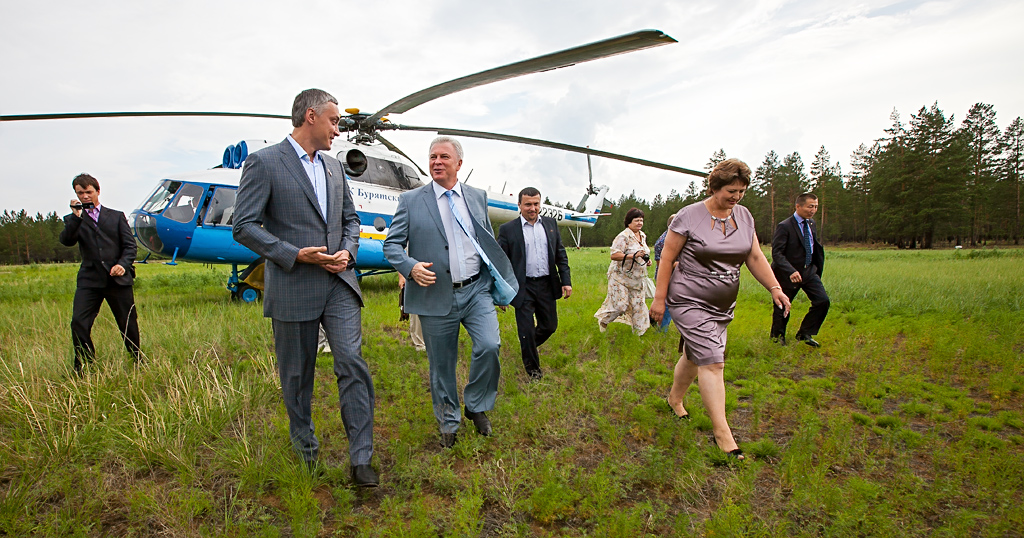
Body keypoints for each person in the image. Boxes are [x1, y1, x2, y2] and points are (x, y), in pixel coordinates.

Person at [232, 89, 377, 487]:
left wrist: (347, 251)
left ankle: (361, 458)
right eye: (333, 121)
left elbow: (350, 218)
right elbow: (243, 226)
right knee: (297, 376)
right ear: (310, 117)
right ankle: (306, 450)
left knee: (351, 362)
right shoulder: (264, 163)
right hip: (294, 284)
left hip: (339, 282)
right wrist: (296, 254)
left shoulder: (334, 167)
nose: (337, 129)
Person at [650, 159, 791, 461]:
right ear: (714, 187)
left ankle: (675, 399)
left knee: (694, 355)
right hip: (688, 298)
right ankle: (723, 435)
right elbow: (667, 257)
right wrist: (659, 299)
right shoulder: (689, 216)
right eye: (731, 191)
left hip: (722, 304)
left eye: (741, 191)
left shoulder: (744, 216)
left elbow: (754, 256)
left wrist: (775, 288)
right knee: (713, 362)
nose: (736, 197)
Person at [383, 136, 518, 448]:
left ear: (459, 163)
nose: (437, 162)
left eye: (444, 156)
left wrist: (496, 282)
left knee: (489, 345)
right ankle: (448, 421)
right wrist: (410, 266)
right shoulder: (411, 201)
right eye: (432, 157)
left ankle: (476, 405)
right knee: (441, 364)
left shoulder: (477, 197)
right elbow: (391, 246)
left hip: (476, 290)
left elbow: (486, 241)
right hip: (434, 294)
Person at [59, 173, 141, 373]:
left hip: (117, 280)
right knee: (79, 323)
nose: (85, 196)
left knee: (127, 323)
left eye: (88, 192)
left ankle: (137, 360)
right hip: (90, 280)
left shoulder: (116, 216)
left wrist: (123, 264)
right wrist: (76, 218)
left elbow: (130, 246)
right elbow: (67, 240)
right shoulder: (73, 219)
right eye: (80, 193)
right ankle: (84, 365)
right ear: (76, 195)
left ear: (97, 191)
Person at [497, 187, 572, 380]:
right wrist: (501, 292)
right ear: (520, 205)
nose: (533, 208)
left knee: (549, 326)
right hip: (523, 286)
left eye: (536, 204)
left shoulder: (550, 224)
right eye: (528, 204)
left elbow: (560, 254)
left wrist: (566, 281)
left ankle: (527, 347)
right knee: (526, 329)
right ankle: (534, 372)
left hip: (547, 284)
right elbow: (501, 263)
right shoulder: (508, 229)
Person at [770, 193, 830, 347]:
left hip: (809, 271)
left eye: (816, 206)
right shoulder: (785, 226)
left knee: (822, 301)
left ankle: (805, 333)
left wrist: (815, 268)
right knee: (782, 306)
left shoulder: (811, 224)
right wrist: (790, 271)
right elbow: (777, 253)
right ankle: (777, 339)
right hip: (788, 274)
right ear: (798, 206)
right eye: (810, 206)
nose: (813, 210)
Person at [594, 208, 652, 336]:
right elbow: (614, 255)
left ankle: (638, 335)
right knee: (620, 306)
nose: (639, 223)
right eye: (636, 220)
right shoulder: (623, 236)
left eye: (641, 220)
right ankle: (604, 320)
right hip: (620, 277)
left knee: (639, 306)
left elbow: (643, 252)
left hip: (637, 279)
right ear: (629, 222)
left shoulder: (642, 236)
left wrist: (647, 260)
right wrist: (633, 256)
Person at [653, 213, 677, 332]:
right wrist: (679, 264)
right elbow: (661, 265)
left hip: (676, 277)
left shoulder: (676, 238)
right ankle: (662, 331)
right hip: (666, 278)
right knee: (668, 304)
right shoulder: (663, 241)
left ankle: (651, 318)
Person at [398, 273, 426, 351]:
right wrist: (401, 276)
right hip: (416, 275)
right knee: (416, 309)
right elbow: (402, 260)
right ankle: (419, 344)